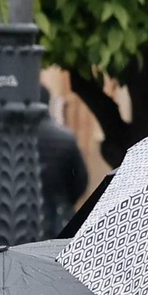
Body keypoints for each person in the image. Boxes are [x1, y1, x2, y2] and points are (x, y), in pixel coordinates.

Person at [38, 86, 90, 240]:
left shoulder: (15, 139)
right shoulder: (65, 138)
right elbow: (80, 180)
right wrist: (65, 201)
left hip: (23, 222)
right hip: (59, 218)